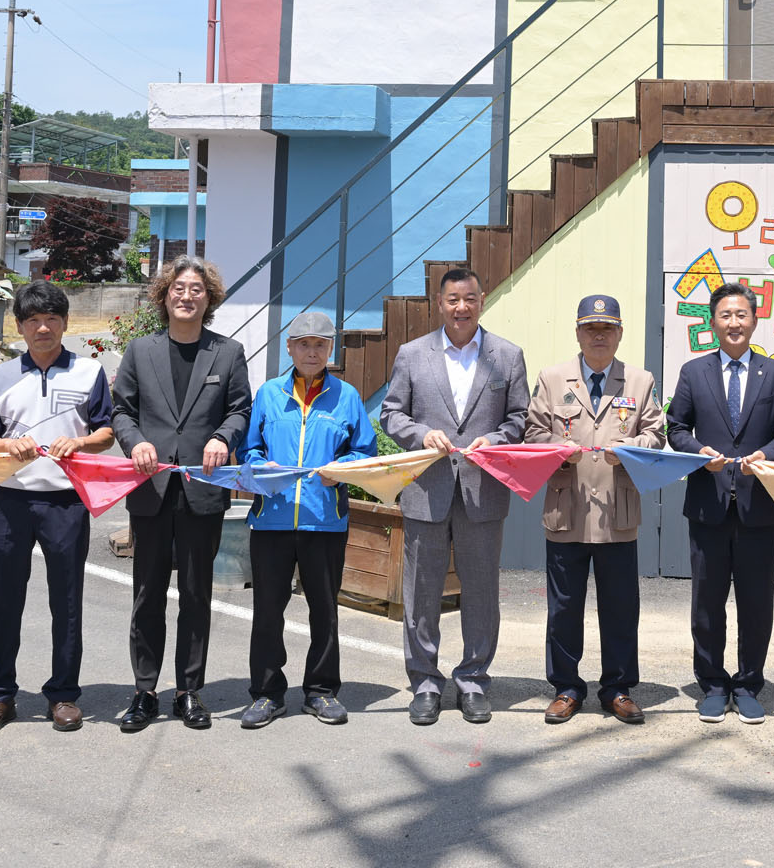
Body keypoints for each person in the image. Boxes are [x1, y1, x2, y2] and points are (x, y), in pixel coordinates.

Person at [381, 267, 532, 726]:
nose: (461, 307)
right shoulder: (412, 354)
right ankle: (425, 683)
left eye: (469, 299)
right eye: (452, 300)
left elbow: (520, 417)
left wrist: (497, 440)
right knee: (421, 594)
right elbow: (391, 413)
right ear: (439, 303)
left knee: (481, 593)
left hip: (482, 492)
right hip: (427, 490)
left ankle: (473, 680)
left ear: (481, 301)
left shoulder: (508, 355)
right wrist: (421, 434)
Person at [0, 280, 115, 736]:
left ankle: (64, 695)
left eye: (52, 319)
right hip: (12, 499)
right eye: (33, 320)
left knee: (66, 601)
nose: (43, 328)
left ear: (66, 323)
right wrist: (8, 445)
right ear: (20, 326)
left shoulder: (90, 372)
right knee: (4, 600)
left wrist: (81, 442)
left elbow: (106, 432)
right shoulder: (0, 375)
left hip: (67, 501)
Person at [111, 256, 253, 732]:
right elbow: (122, 411)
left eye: (196, 289)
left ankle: (189, 690)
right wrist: (135, 442)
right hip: (150, 489)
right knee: (147, 594)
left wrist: (223, 438)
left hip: (201, 490)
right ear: (164, 295)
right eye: (178, 288)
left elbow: (240, 410)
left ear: (209, 298)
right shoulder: (140, 351)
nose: (186, 296)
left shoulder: (228, 352)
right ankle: (144, 691)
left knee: (196, 594)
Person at [522, 294, 663, 726]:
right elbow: (532, 434)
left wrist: (631, 448)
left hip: (618, 514)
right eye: (590, 328)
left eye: (607, 329)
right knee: (564, 607)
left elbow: (656, 434)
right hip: (567, 510)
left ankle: (617, 689)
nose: (598, 336)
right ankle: (566, 687)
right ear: (578, 333)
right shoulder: (552, 378)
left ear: (620, 334)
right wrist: (557, 449)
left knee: (621, 607)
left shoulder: (639, 381)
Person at [667, 281, 774, 725]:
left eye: (741, 314)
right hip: (707, 505)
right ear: (713, 323)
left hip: (758, 505)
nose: (734, 323)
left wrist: (768, 455)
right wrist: (697, 452)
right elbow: (676, 427)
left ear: (754, 320)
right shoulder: (694, 372)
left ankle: (747, 685)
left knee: (756, 602)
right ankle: (711, 684)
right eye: (725, 315)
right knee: (706, 602)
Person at [240, 310, 376, 729]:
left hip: (324, 521)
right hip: (272, 520)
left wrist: (341, 468)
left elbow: (365, 453)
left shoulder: (347, 396)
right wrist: (262, 466)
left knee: (324, 611)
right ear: (290, 348)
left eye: (320, 344)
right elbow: (249, 449)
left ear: (330, 349)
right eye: (304, 344)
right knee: (267, 611)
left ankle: (321, 691)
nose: (312, 352)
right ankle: (267, 693)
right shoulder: (269, 394)